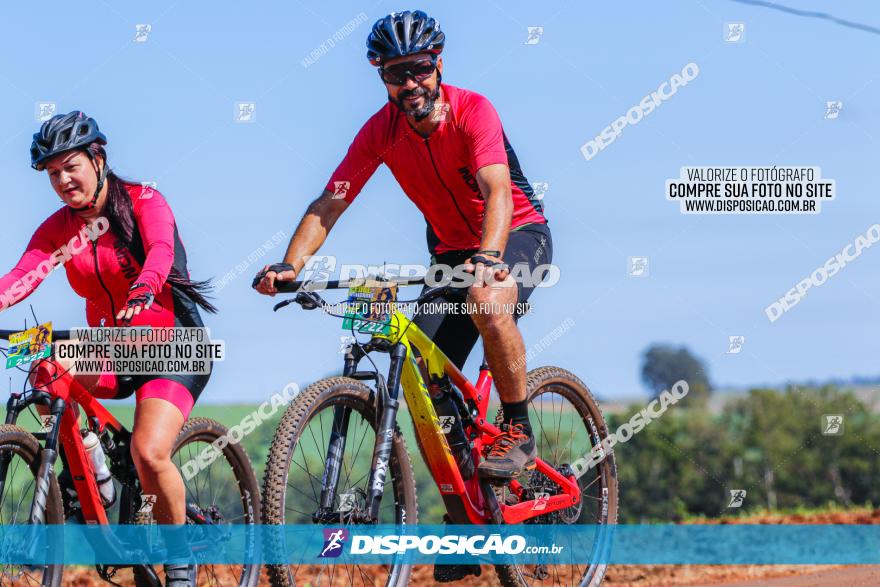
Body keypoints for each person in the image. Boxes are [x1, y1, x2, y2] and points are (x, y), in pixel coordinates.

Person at [253, 11, 553, 581]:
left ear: (437, 64)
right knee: (420, 375)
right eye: (396, 73)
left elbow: (497, 192)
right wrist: (290, 265)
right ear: (382, 77)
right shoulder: (379, 132)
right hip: (448, 254)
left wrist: (489, 259)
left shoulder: (473, 111)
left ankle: (518, 428)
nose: (409, 83)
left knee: (489, 302)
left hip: (515, 233)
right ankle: (466, 513)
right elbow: (330, 203)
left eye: (418, 69)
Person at [0, 111, 216, 586]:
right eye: (52, 173)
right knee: (46, 366)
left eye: (70, 166)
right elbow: (22, 277)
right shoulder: (58, 228)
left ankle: (179, 562)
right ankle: (93, 472)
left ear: (98, 158)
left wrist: (145, 288)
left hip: (172, 346)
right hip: (112, 347)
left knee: (148, 452)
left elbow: (161, 248)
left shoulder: (143, 200)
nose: (62, 180)